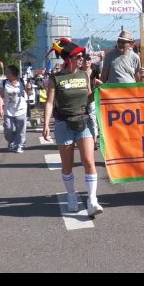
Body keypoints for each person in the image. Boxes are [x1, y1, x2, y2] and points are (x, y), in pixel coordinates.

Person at [42, 38, 103, 217]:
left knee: (89, 161)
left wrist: (98, 90)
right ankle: (71, 195)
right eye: (78, 57)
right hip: (63, 124)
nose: (82, 60)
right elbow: (50, 102)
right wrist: (46, 124)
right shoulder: (56, 78)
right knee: (67, 165)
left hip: (83, 122)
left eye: (82, 57)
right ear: (69, 59)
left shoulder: (84, 75)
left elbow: (89, 99)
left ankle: (92, 200)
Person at [0, 64, 28, 153]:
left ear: (13, 73)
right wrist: (0, 108)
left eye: (7, 72)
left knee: (20, 129)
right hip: (8, 110)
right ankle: (11, 142)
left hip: (21, 109)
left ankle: (19, 145)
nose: (6, 73)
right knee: (9, 129)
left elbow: (28, 92)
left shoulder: (22, 81)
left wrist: (29, 89)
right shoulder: (3, 82)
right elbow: (1, 96)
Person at [81, 53, 101, 150]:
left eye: (88, 60)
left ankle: (94, 141)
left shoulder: (94, 70)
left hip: (92, 97)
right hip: (81, 98)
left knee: (93, 119)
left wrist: (100, 85)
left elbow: (98, 80)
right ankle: (82, 139)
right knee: (82, 119)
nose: (87, 62)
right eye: (85, 61)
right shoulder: (79, 71)